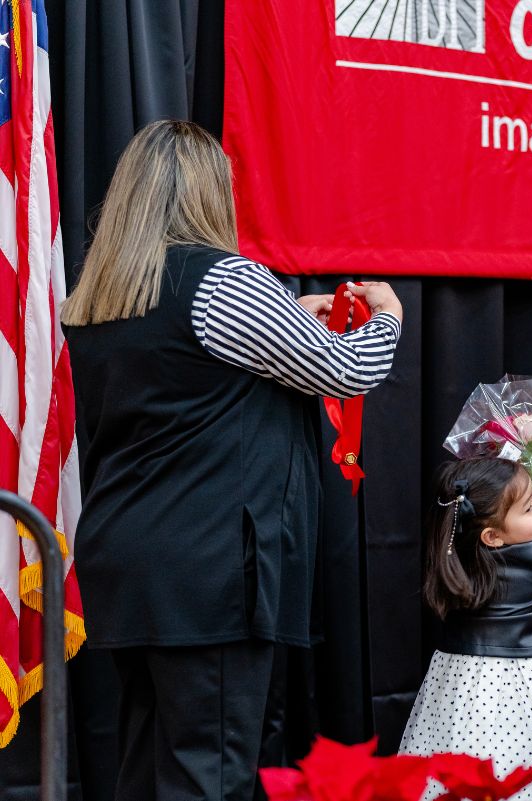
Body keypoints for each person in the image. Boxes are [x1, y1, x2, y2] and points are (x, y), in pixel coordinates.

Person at [61, 119, 404, 801]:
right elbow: (345, 367)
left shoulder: (100, 294)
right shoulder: (225, 280)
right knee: (207, 777)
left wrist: (287, 317)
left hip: (126, 567)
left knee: (144, 772)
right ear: (209, 193)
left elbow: (198, 378)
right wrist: (389, 313)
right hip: (206, 577)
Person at [399, 457, 532, 801]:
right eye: (529, 507)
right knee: (523, 758)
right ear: (492, 535)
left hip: (461, 681)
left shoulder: (459, 554)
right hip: (522, 681)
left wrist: (525, 512)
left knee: (464, 750)